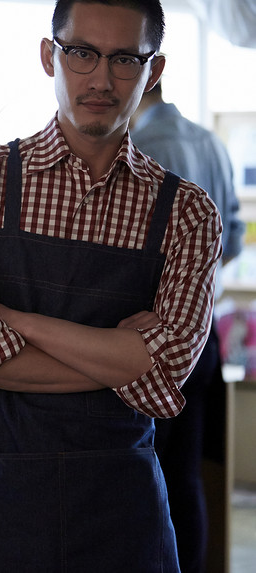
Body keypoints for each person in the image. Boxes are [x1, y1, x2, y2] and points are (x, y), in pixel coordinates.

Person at [0, 0, 223, 570]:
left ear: (153, 71)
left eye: (124, 60)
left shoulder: (187, 213)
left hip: (121, 511)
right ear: (49, 56)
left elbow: (170, 367)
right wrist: (123, 358)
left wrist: (16, 320)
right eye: (82, 53)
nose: (101, 79)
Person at [131, 79, 244, 573]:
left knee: (140, 471)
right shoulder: (211, 143)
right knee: (186, 475)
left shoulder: (138, 149)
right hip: (203, 336)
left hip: (147, 339)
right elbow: (233, 240)